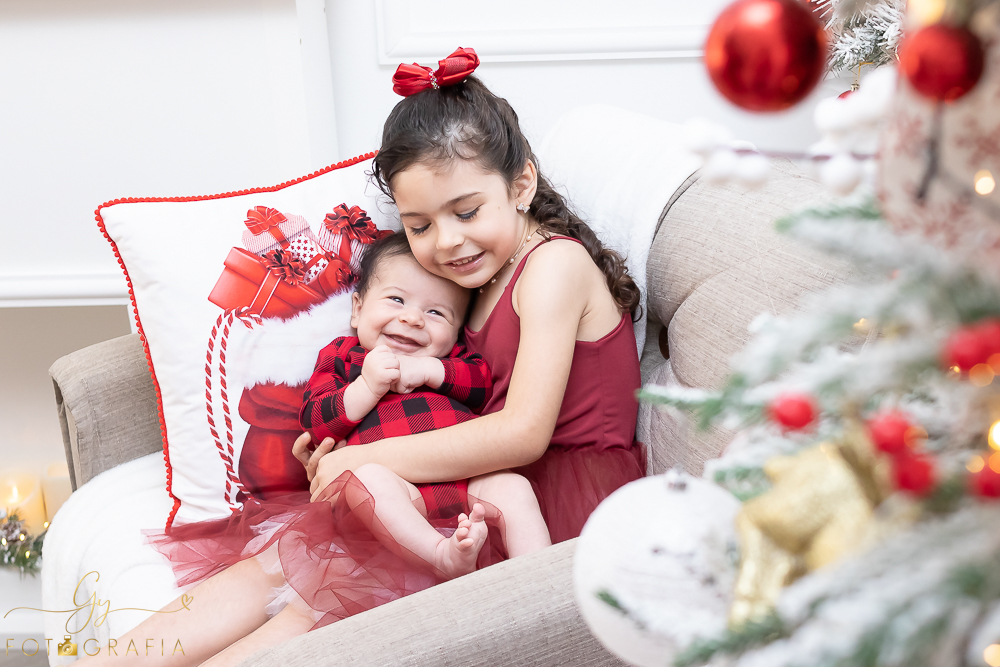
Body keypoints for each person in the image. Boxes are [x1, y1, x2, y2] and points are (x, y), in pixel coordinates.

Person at [81, 47, 645, 667]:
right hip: (462, 473)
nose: (447, 241)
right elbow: (447, 397)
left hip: (540, 501)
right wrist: (343, 436)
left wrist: (363, 456)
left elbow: (522, 432)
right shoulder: (478, 274)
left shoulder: (554, 266)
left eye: (466, 211)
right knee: (276, 562)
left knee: (318, 591)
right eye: (420, 225)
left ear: (521, 185)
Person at [299, 231, 551, 580]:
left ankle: (543, 581)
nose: (413, 319)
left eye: (436, 312)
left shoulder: (451, 360)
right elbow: (315, 420)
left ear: (458, 330)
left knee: (514, 488)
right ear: (357, 309)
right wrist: (366, 388)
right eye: (396, 300)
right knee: (367, 479)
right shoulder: (343, 357)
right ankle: (439, 555)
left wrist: (432, 370)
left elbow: (482, 386)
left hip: (465, 479)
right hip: (396, 491)